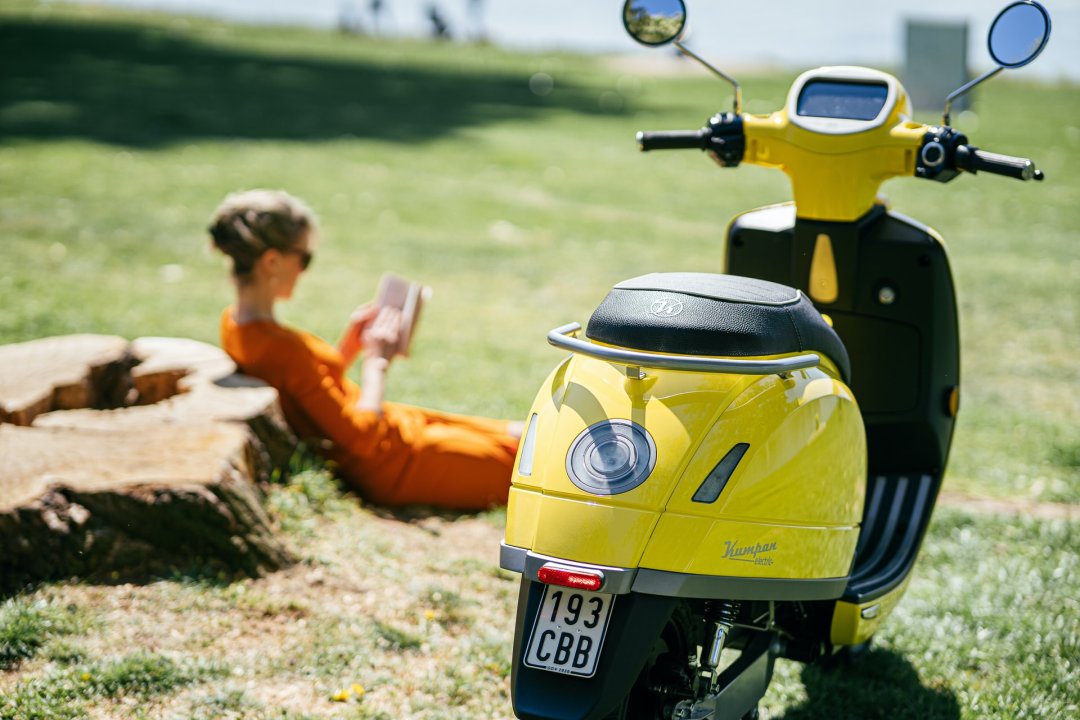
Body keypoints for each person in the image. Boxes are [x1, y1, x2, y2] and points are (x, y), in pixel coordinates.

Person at [209, 189, 520, 510]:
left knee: (524, 436)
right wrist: (377, 362)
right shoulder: (278, 346)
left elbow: (308, 391)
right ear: (272, 261)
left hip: (399, 427)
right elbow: (362, 441)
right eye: (304, 257)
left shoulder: (235, 324)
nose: (304, 270)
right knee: (534, 466)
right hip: (396, 463)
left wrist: (350, 344)